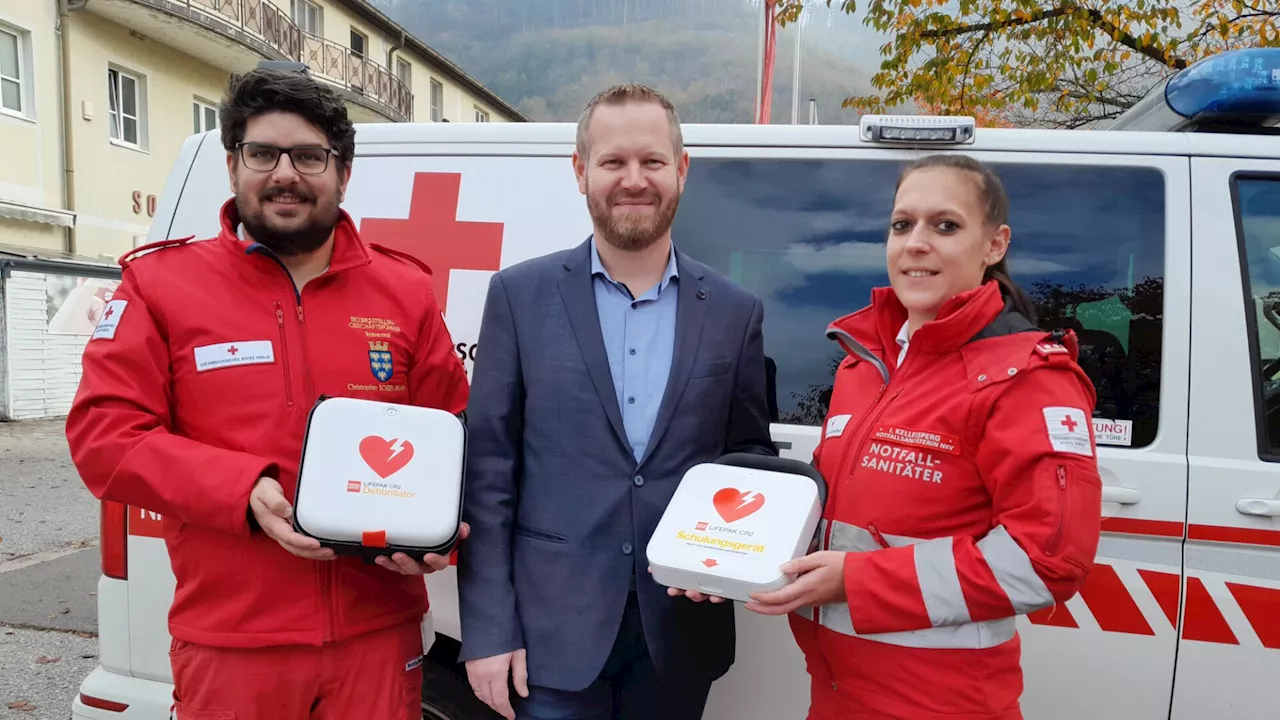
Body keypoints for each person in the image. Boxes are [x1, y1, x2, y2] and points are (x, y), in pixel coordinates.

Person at [64, 66, 470, 720]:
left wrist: (437, 539)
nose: (286, 173)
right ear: (232, 167)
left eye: (310, 155)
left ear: (343, 173)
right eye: (263, 153)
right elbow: (105, 440)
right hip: (232, 642)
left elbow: (453, 433)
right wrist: (243, 491)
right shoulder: (161, 286)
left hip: (377, 634)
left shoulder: (405, 291)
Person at [457, 83, 777, 720]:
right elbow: (488, 472)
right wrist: (489, 630)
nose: (635, 180)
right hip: (550, 636)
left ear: (681, 171)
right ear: (581, 172)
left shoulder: (735, 314)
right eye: (613, 162)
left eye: (653, 162)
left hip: (681, 633)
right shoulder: (520, 297)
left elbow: (748, 453)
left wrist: (731, 554)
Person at [744, 154, 1104, 719]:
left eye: (946, 225)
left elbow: (1046, 562)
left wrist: (859, 581)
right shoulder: (863, 363)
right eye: (901, 224)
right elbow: (837, 520)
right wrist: (718, 558)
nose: (916, 242)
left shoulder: (1029, 377)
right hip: (837, 693)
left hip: (940, 704)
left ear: (994, 244)